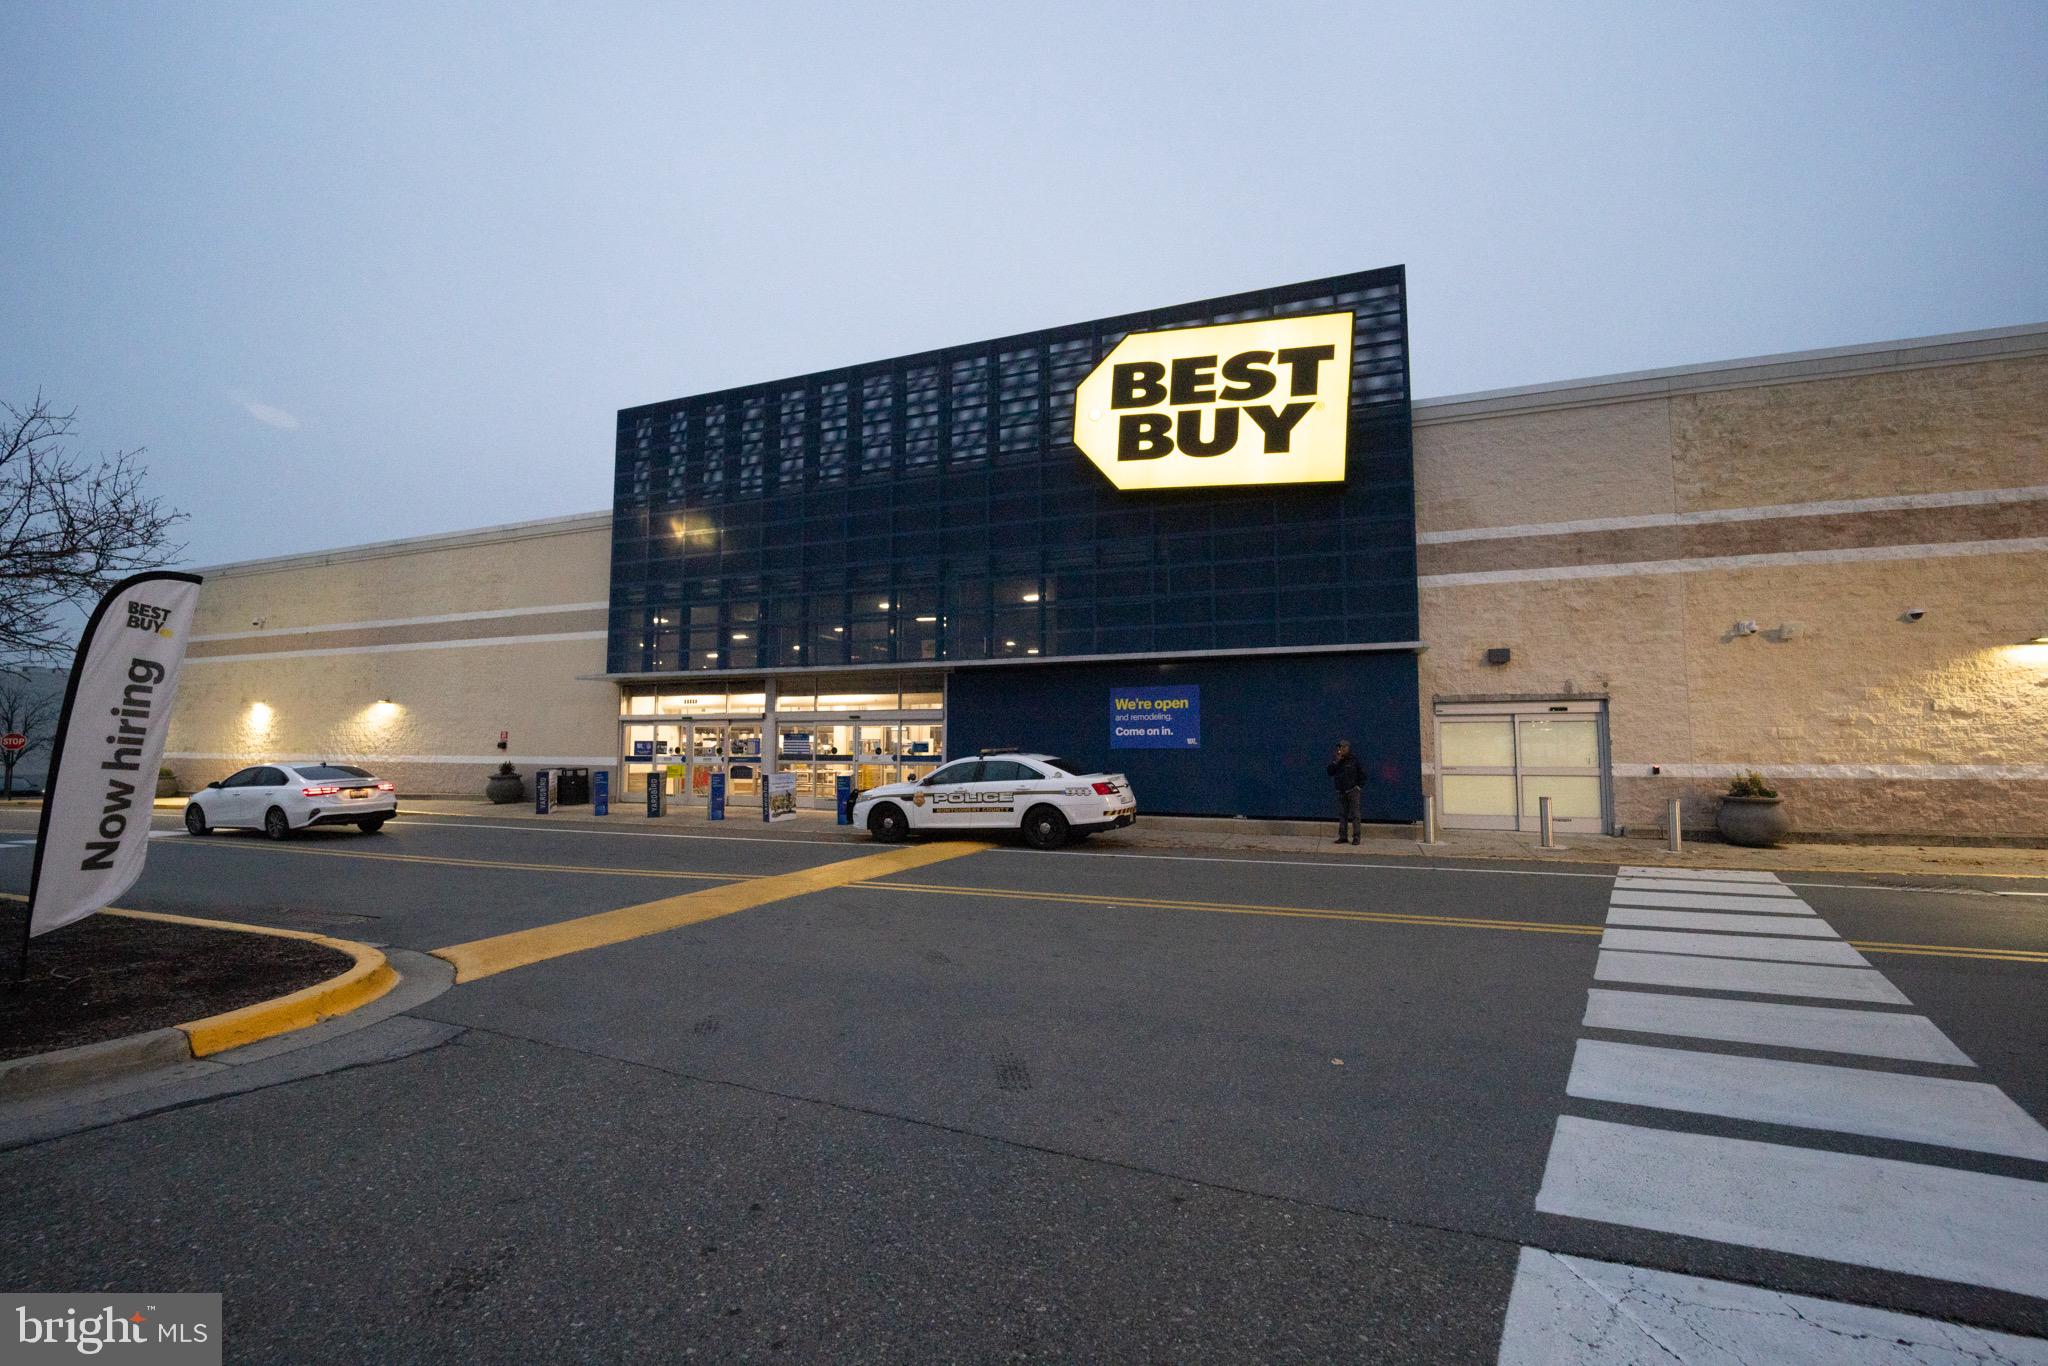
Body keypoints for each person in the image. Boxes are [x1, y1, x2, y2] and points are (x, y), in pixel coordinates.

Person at [1327, 740, 1365, 845]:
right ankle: (1343, 836)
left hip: (1352, 791)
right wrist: (1336, 761)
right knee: (1342, 815)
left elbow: (1362, 774)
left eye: (1343, 747)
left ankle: (1356, 837)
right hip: (1341, 791)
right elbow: (1330, 772)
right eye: (1339, 747)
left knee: (1355, 814)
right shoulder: (1337, 760)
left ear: (1348, 748)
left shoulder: (1354, 760)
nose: (1341, 749)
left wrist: (1359, 787)